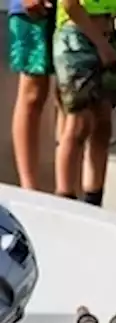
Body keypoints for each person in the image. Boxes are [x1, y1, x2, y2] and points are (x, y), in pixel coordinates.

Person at [52, 0, 116, 206]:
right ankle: (64, 197)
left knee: (103, 123)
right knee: (79, 123)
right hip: (76, 39)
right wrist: (100, 45)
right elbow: (70, 4)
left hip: (108, 34)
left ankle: (93, 201)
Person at [8, 0, 59, 190]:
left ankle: (66, 189)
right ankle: (29, 188)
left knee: (73, 95)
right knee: (32, 93)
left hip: (82, 10)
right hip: (37, 9)